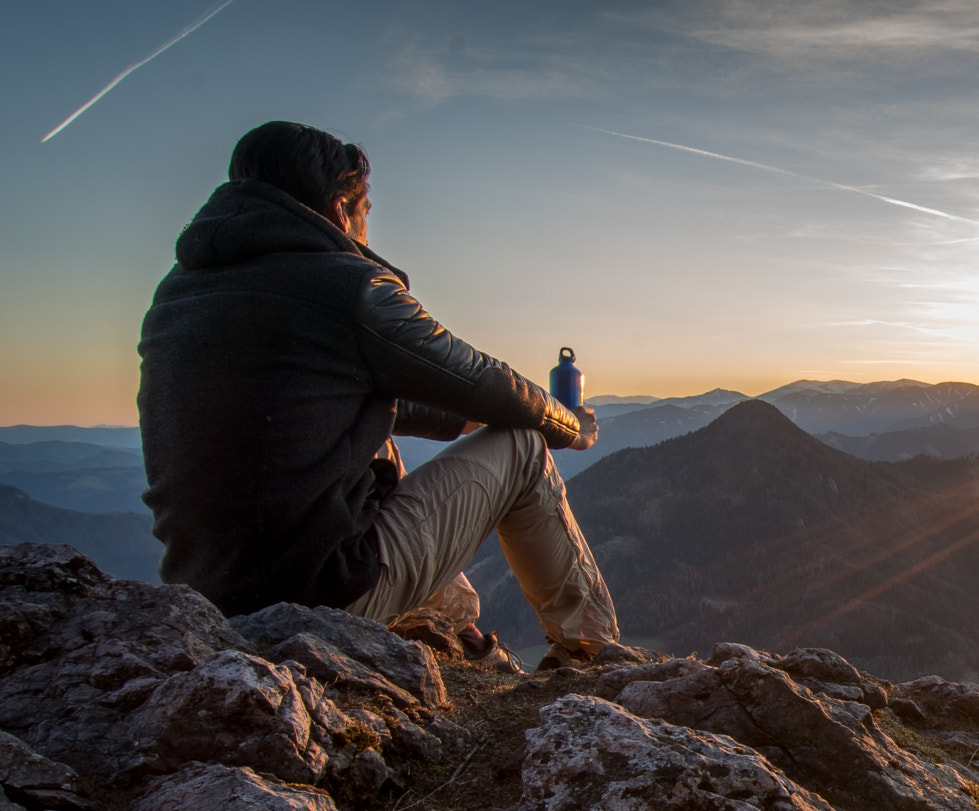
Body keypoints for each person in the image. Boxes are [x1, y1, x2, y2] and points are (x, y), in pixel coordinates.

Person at [138, 121, 619, 670]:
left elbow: (341, 400)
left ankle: (447, 633)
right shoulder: (349, 286)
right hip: (322, 591)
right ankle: (593, 655)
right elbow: (483, 380)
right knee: (524, 448)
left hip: (208, 592)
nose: (367, 227)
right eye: (367, 209)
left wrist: (459, 418)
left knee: (375, 441)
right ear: (342, 206)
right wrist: (571, 427)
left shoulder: (178, 294)